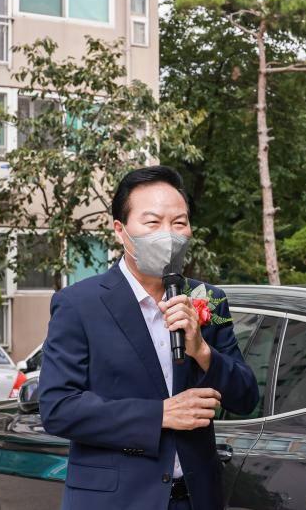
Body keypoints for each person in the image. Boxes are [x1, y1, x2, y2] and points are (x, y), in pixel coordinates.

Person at [38, 166, 259, 510]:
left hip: (196, 499)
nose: (168, 234)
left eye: (179, 223)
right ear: (120, 231)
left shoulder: (207, 299)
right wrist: (159, 415)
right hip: (115, 501)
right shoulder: (79, 304)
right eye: (153, 222)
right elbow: (58, 408)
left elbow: (246, 398)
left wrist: (202, 350)